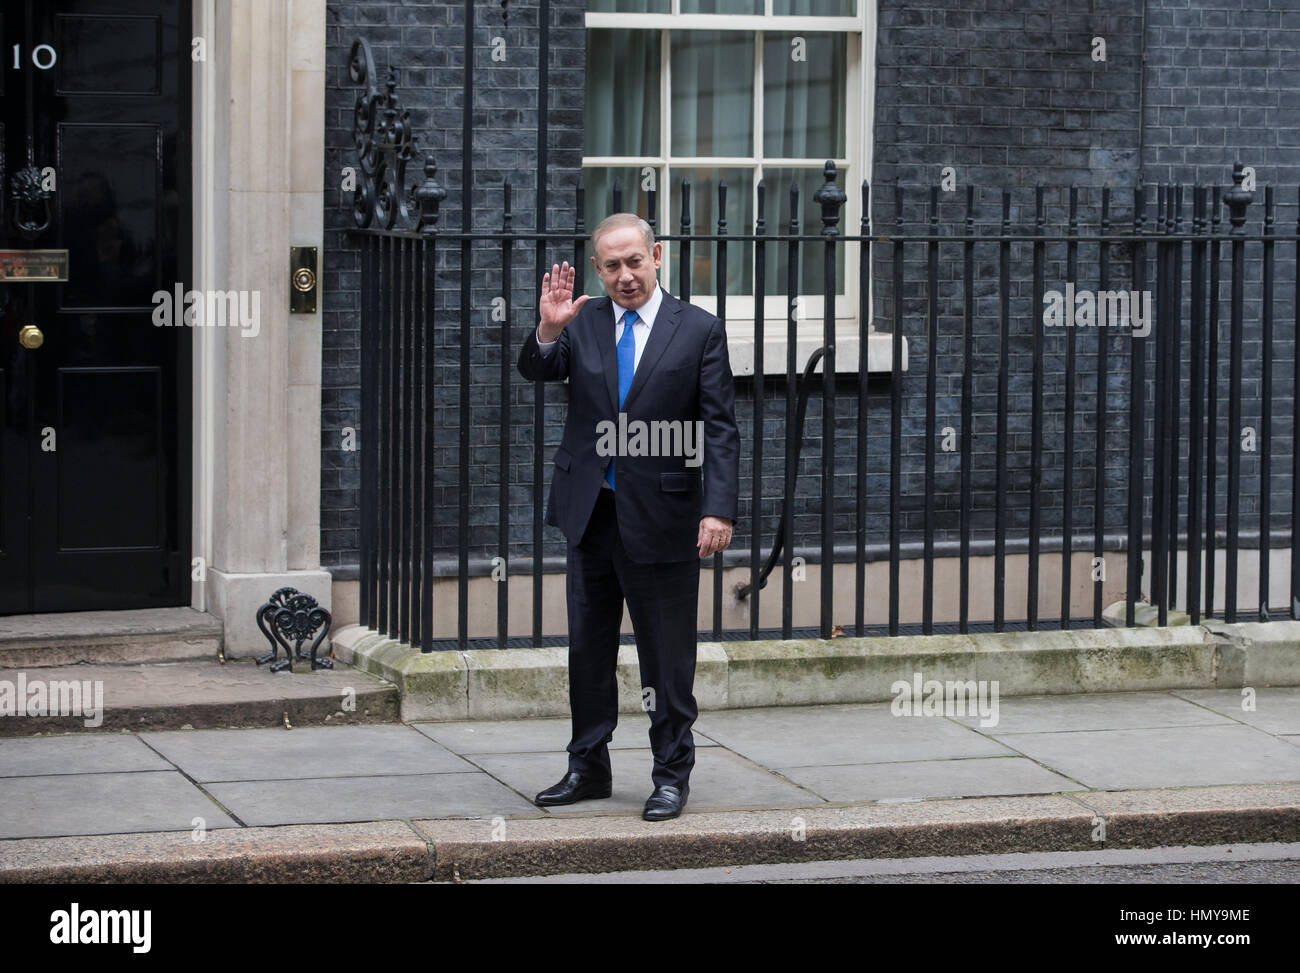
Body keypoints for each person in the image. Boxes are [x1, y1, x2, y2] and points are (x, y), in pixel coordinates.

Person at [517, 213, 740, 821]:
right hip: (591, 513)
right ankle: (587, 766)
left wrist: (718, 508)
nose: (625, 276)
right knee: (587, 651)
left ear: (657, 256)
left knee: (666, 658)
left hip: (665, 518)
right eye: (611, 266)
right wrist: (545, 328)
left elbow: (720, 428)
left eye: (634, 262)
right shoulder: (582, 321)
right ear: (597, 269)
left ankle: (671, 774)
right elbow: (537, 370)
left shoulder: (697, 330)